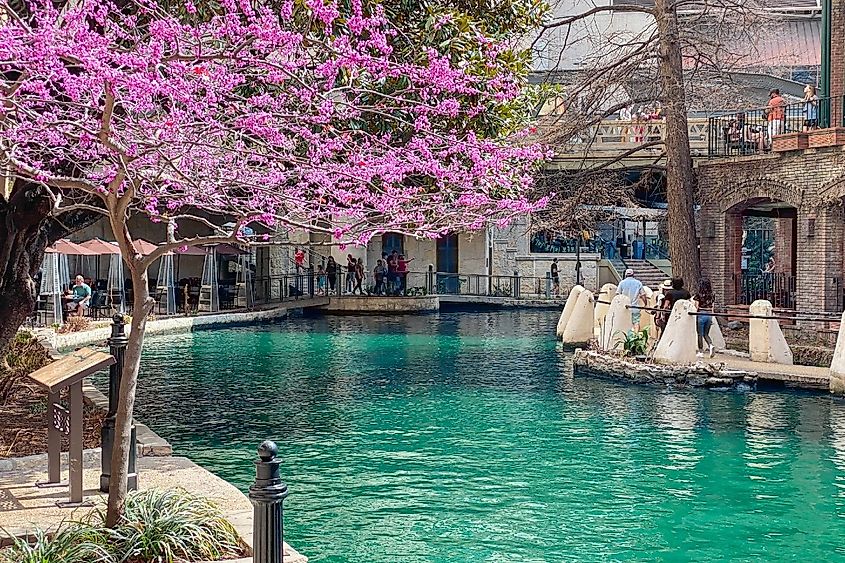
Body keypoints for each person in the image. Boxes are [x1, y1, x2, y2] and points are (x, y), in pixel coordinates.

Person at [693, 278, 715, 358]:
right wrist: (712, 316)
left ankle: (700, 351)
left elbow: (696, 306)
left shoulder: (698, 294)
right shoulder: (712, 294)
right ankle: (711, 345)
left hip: (701, 314)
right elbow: (713, 306)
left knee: (700, 334)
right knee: (706, 334)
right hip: (709, 314)